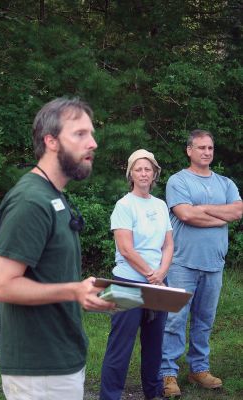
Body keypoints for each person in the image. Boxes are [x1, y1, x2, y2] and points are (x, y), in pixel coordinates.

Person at [0, 97, 115, 400]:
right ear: (51, 141)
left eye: (92, 133)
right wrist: (74, 291)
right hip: (39, 369)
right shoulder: (30, 201)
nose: (93, 143)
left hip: (60, 357)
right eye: (80, 134)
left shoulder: (53, 196)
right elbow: (2, 286)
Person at [160, 129, 242, 398]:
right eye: (201, 148)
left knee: (204, 320)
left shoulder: (225, 183)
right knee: (174, 319)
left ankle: (199, 369)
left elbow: (238, 211)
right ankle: (168, 373)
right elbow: (185, 214)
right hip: (182, 263)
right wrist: (221, 214)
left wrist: (202, 210)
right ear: (189, 150)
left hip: (214, 263)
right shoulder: (178, 181)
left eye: (210, 148)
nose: (207, 152)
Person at [100, 149, 174, 400]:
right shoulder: (124, 205)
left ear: (155, 174)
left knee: (155, 346)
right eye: (139, 169)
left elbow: (169, 244)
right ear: (130, 174)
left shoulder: (161, 205)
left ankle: (154, 394)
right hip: (126, 283)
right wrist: (153, 275)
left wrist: (161, 273)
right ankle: (109, 396)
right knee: (120, 346)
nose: (144, 173)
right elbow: (126, 249)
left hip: (159, 283)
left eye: (148, 169)